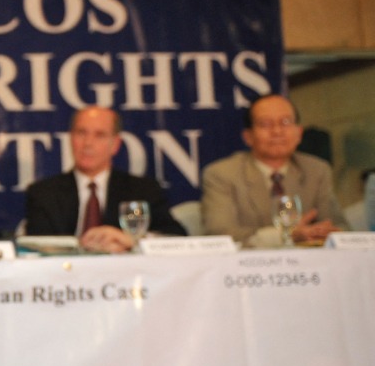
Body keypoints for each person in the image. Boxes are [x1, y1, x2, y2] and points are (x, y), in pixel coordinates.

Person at [24, 106, 186, 253]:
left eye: (99, 135)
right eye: (81, 133)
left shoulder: (142, 189)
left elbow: (176, 238)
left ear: (115, 144)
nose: (88, 143)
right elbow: (35, 244)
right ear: (71, 138)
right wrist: (82, 244)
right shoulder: (44, 192)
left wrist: (131, 240)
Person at [201, 94, 345, 248]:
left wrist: (323, 232)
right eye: (265, 124)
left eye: (285, 122)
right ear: (248, 136)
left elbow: (340, 228)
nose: (277, 131)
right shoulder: (222, 174)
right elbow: (219, 234)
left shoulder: (317, 170)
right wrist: (286, 235)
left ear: (299, 133)